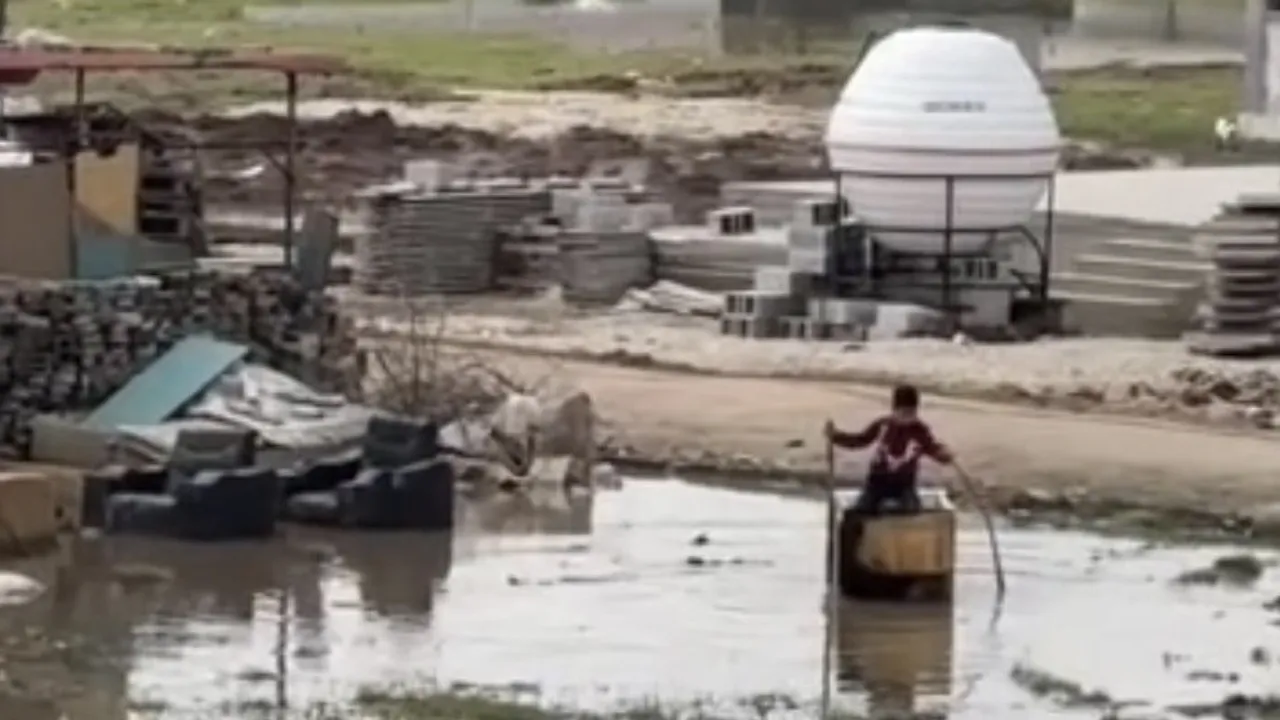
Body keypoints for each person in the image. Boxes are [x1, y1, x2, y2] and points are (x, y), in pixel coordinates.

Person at [824, 384, 953, 516]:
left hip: (904, 485)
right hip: (877, 482)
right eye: (904, 412)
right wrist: (836, 437)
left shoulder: (920, 431)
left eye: (911, 412)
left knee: (912, 510)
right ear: (894, 410)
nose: (907, 417)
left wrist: (944, 455)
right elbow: (860, 440)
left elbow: (932, 448)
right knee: (861, 510)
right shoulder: (883, 426)